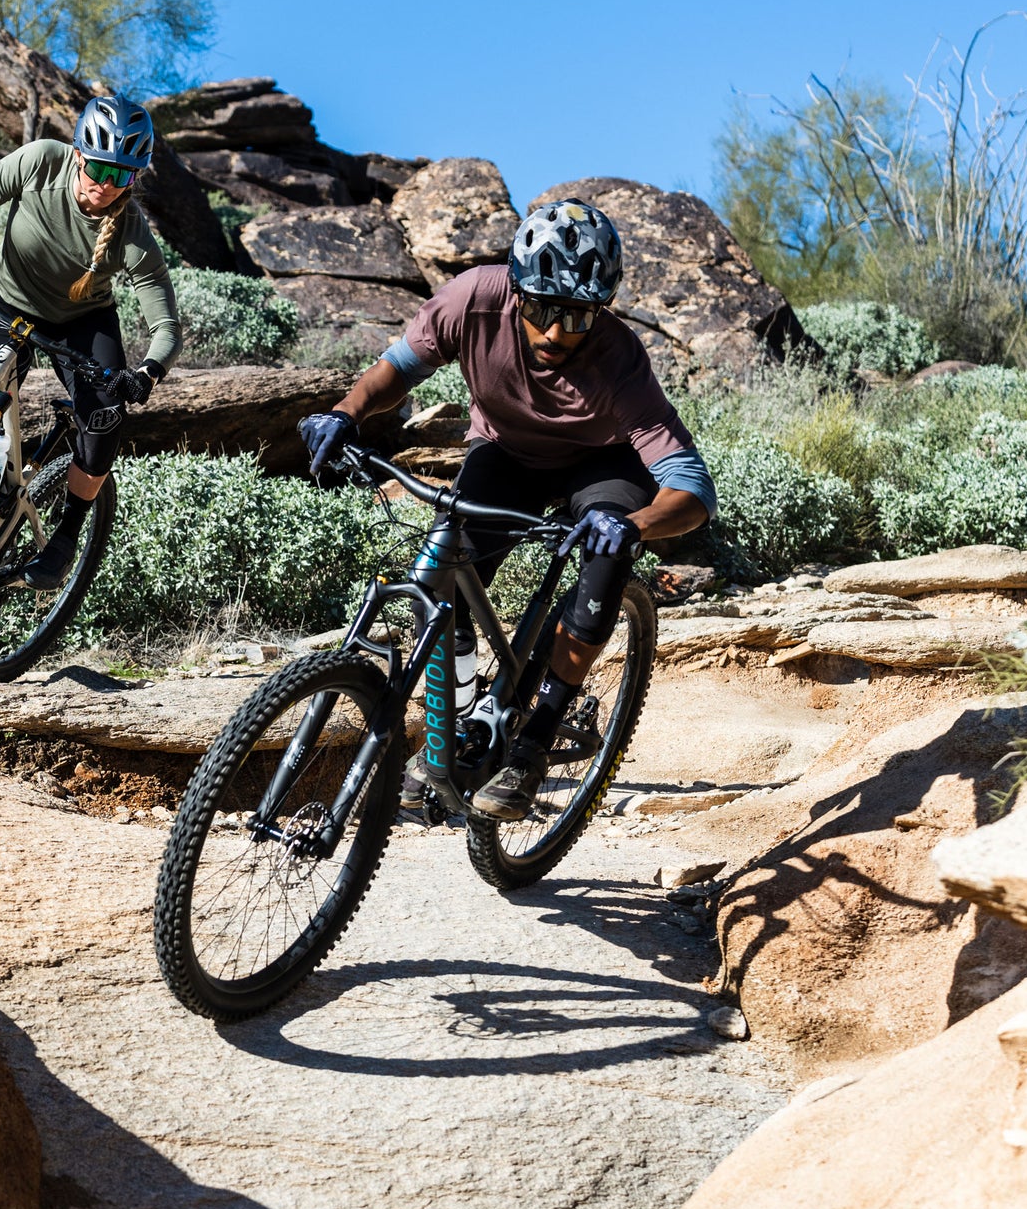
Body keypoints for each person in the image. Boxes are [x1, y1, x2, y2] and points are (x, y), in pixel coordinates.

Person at [298, 199, 718, 822]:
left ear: (600, 309)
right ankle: (459, 725)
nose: (556, 333)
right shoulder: (473, 299)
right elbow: (396, 369)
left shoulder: (619, 358)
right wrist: (345, 413)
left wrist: (632, 524)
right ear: (517, 291)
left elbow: (691, 488)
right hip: (504, 451)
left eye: (577, 317)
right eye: (543, 309)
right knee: (443, 573)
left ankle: (533, 743)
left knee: (604, 562)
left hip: (599, 466)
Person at [0, 95, 181, 590]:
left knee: (103, 421)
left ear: (135, 178)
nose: (105, 185)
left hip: (80, 322)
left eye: (121, 176)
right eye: (98, 168)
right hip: (3, 298)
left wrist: (148, 372)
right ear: (78, 154)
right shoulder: (41, 160)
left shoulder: (132, 232)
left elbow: (166, 326)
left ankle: (68, 534)